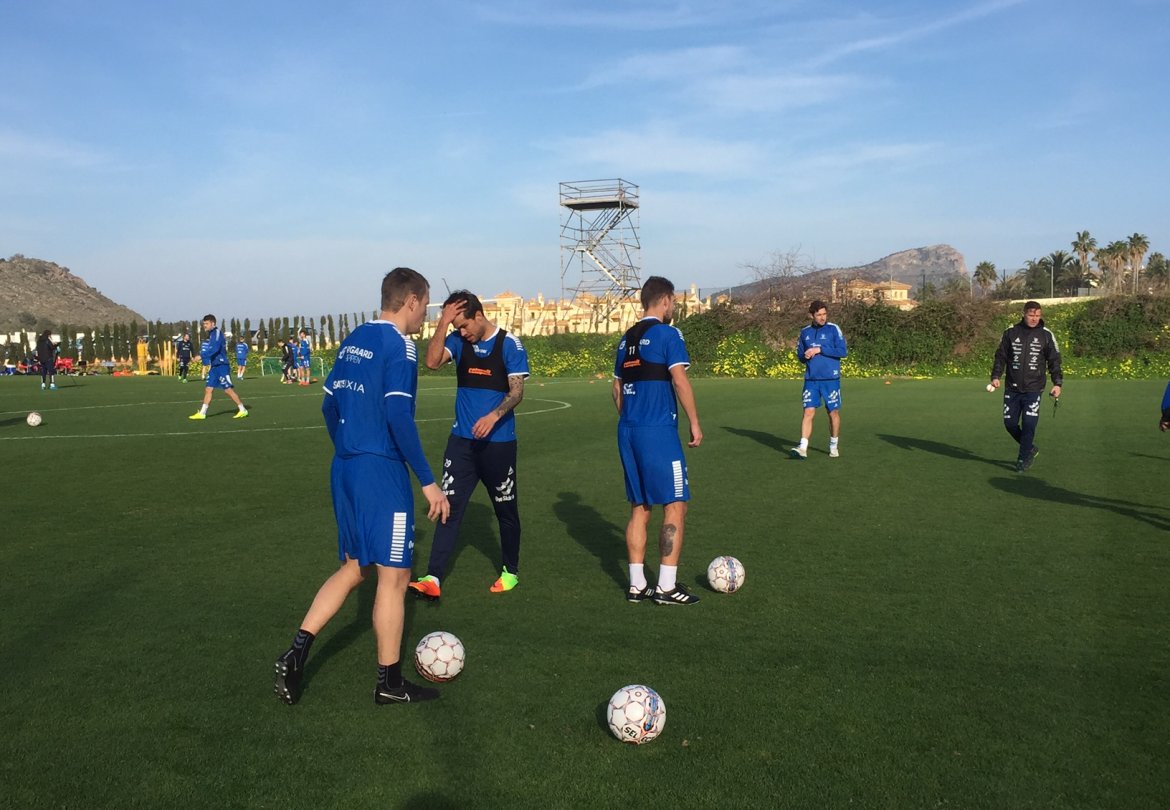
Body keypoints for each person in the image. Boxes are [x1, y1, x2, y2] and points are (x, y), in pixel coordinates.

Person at [274, 267, 450, 706]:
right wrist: (428, 482)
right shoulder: (401, 346)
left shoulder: (354, 339)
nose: (425, 315)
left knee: (354, 568)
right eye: (425, 305)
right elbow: (398, 417)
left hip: (346, 467)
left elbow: (328, 406)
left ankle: (296, 653)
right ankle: (389, 683)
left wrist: (350, 450)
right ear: (411, 300)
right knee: (395, 577)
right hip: (381, 472)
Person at [408, 290, 530, 601]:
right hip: (461, 444)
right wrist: (443, 323)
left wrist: (493, 416)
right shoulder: (458, 341)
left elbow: (517, 393)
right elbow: (432, 362)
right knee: (448, 508)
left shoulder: (509, 345)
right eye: (456, 327)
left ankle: (510, 571)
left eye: (463, 325)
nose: (462, 332)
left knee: (505, 510)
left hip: (498, 445)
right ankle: (433, 577)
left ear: (479, 315)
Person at [612, 275, 703, 606]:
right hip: (658, 431)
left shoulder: (626, 339)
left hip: (628, 429)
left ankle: (637, 585)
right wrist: (694, 422)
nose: (673, 307)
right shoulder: (668, 334)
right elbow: (679, 380)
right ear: (665, 300)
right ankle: (666, 586)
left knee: (640, 507)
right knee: (675, 504)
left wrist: (632, 417)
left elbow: (616, 389)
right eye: (673, 301)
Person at [991, 300, 1062, 472]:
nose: (1034, 318)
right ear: (1024, 314)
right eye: (1031, 315)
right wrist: (996, 376)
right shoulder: (1010, 333)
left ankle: (1023, 459)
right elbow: (1001, 356)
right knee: (1010, 424)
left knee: (1029, 424)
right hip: (1012, 388)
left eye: (1037, 315)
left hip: (1034, 389)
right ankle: (1029, 447)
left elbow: (1054, 361)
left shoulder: (1046, 335)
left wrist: (1057, 383)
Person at [790, 300, 847, 459]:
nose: (822, 317)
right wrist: (805, 355)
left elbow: (842, 351)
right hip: (811, 379)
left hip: (830, 379)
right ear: (811, 315)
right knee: (808, 411)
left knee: (832, 412)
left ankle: (833, 445)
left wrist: (820, 349)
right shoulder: (805, 332)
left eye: (824, 314)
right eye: (819, 315)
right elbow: (800, 356)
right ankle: (803, 447)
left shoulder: (833, 329)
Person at [189, 315, 249, 420]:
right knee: (208, 389)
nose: (204, 326)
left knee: (227, 390)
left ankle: (242, 409)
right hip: (214, 366)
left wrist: (201, 356)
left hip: (222, 366)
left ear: (213, 324)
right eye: (204, 324)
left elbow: (215, 349)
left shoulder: (216, 333)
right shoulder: (211, 334)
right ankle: (202, 413)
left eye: (206, 323)